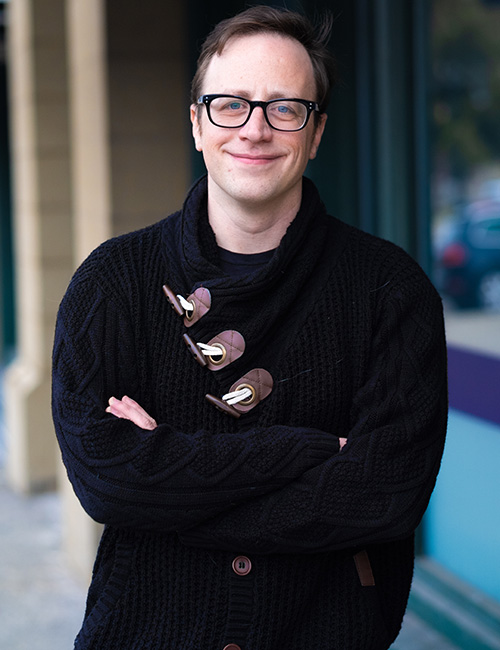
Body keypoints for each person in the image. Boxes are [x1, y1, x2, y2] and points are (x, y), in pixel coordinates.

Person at [52, 5, 448, 650]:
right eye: (229, 104)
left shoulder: (391, 292)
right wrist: (309, 452)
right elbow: (108, 482)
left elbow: (384, 495)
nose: (254, 129)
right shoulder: (112, 284)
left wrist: (168, 486)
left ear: (316, 133)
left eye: (285, 107)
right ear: (196, 124)